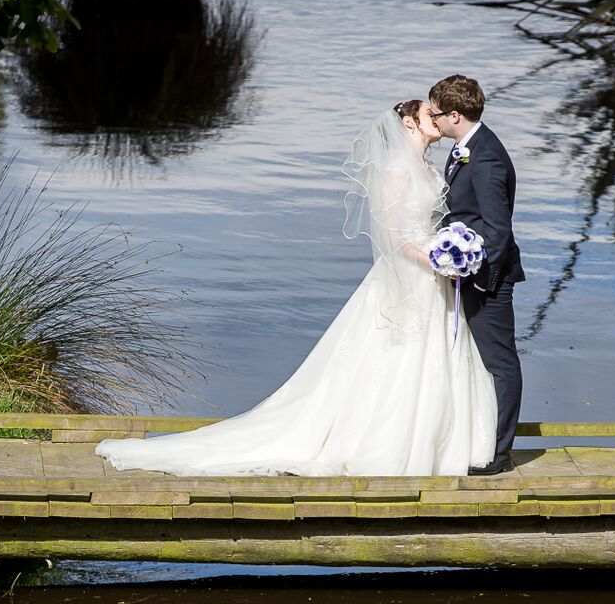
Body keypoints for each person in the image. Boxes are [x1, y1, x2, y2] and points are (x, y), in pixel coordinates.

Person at [95, 100, 497, 477]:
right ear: (409, 123)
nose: (436, 117)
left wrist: (451, 252)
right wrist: (435, 261)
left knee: (435, 358)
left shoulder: (429, 168)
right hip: (411, 274)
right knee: (396, 356)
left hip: (435, 280)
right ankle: (387, 445)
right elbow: (394, 239)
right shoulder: (395, 171)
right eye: (429, 113)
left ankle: (440, 446)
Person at [428, 74, 525, 476]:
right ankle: (478, 440)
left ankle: (499, 453)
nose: (432, 120)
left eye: (436, 114)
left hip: (488, 279)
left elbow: (498, 231)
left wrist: (479, 276)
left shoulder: (485, 157)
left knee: (500, 362)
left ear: (454, 115)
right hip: (470, 274)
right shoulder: (467, 148)